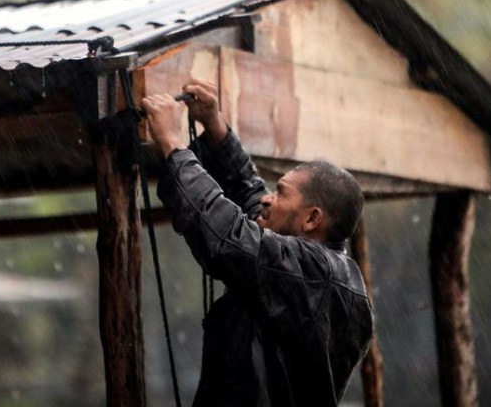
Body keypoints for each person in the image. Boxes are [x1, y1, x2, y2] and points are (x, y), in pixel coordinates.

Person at [142, 78, 374, 407]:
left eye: (280, 193)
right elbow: (250, 197)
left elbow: (226, 236)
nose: (267, 198)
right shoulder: (309, 268)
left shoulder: (314, 273)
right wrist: (214, 124)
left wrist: (172, 143)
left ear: (311, 219)